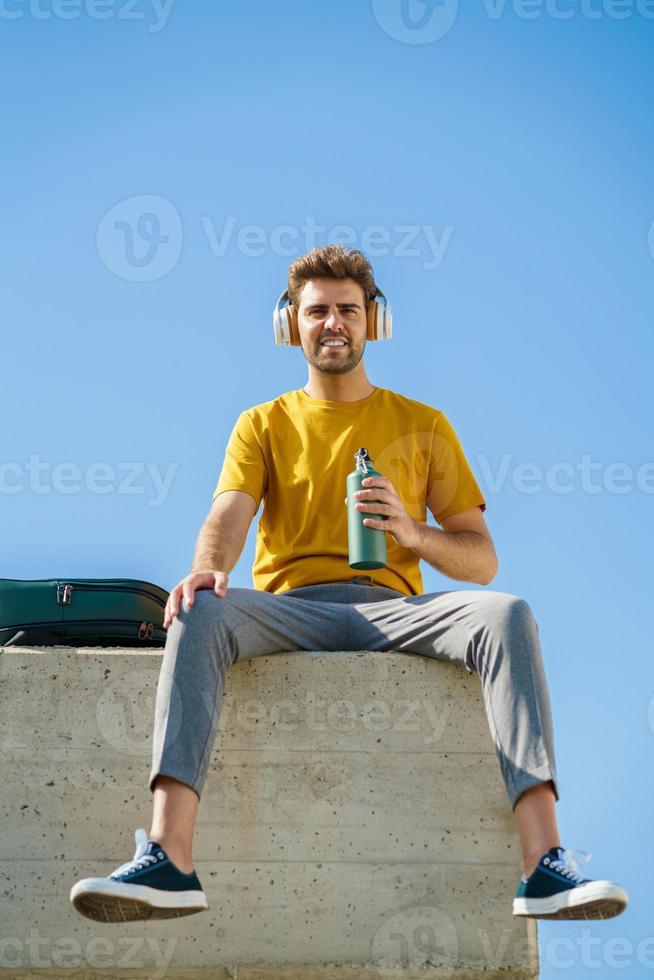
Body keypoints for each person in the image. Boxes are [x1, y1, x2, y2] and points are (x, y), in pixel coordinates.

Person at [70, 245, 628, 924]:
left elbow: (482, 563)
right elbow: (228, 513)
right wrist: (207, 566)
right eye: (317, 312)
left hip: (399, 610)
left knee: (507, 612)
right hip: (289, 611)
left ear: (374, 322)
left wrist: (413, 533)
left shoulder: (423, 424)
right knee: (199, 611)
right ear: (290, 326)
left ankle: (543, 865)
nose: (332, 323)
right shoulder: (263, 423)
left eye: (346, 310)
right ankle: (169, 857)